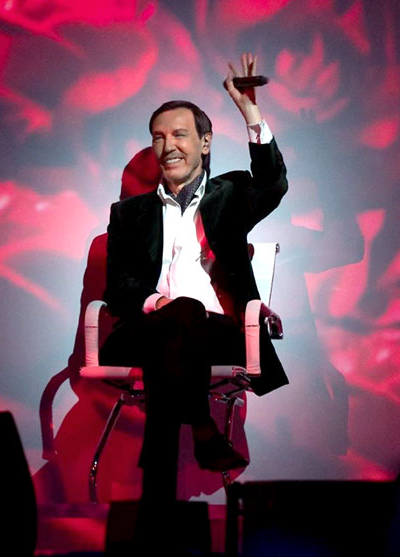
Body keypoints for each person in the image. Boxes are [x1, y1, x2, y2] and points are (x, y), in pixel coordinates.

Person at [100, 53, 289, 503]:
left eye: (180, 134)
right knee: (177, 318)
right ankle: (202, 427)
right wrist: (157, 304)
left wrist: (249, 110)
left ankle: (157, 498)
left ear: (205, 143)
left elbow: (273, 183)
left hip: (217, 334)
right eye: (158, 137)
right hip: (146, 330)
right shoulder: (128, 214)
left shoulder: (231, 194)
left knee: (184, 321)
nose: (168, 145)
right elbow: (117, 287)